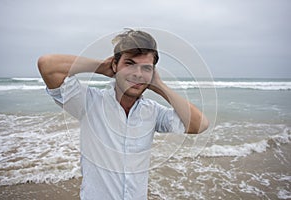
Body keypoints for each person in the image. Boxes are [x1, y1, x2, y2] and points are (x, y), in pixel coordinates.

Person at [38, 29, 209, 200]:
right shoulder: (89, 102)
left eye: (146, 68)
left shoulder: (153, 111)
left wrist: (160, 86)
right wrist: (101, 68)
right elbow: (48, 65)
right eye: (130, 64)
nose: (138, 73)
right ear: (114, 65)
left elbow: (199, 125)